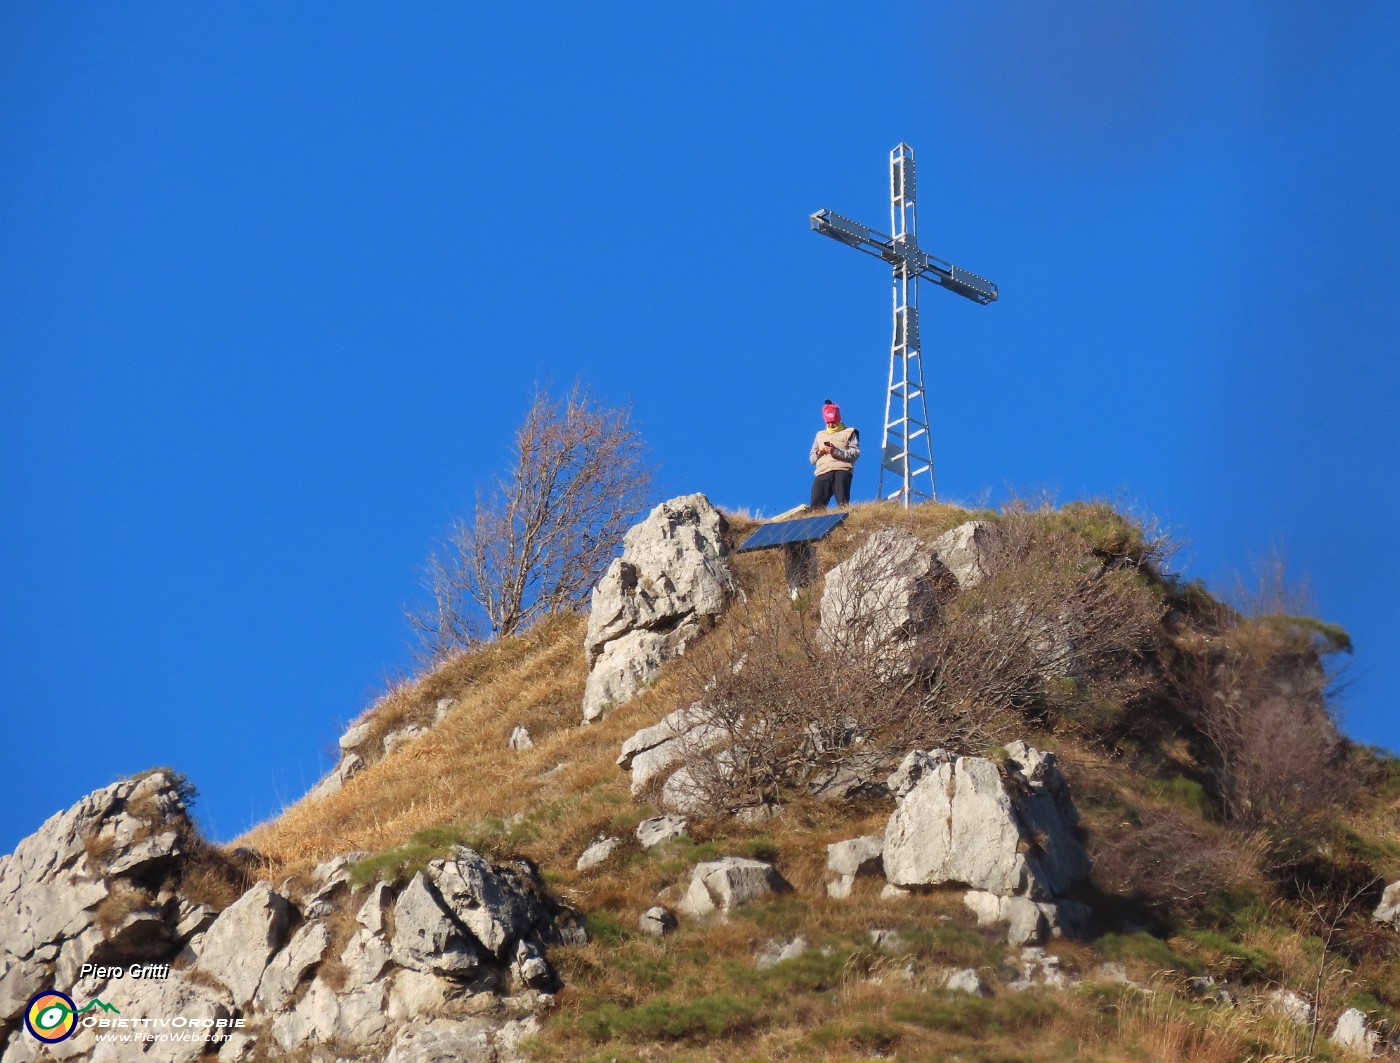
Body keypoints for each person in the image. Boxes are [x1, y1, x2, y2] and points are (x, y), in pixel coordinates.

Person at [809, 399, 860, 508]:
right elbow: (812, 459)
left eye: (833, 422)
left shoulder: (850, 432)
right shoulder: (820, 435)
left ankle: (844, 521)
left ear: (838, 418)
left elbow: (855, 453)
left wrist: (835, 451)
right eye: (829, 422)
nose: (831, 425)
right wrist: (820, 452)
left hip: (842, 470)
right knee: (816, 504)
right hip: (823, 471)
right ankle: (816, 523)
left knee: (842, 502)